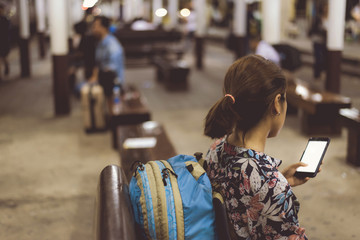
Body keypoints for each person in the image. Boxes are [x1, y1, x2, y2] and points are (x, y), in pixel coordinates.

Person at [203, 55, 310, 239]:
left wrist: (281, 181)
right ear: (277, 103)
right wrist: (277, 188)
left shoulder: (216, 148)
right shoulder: (269, 184)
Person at [89, 16, 125, 115]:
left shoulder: (111, 44)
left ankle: (112, 118)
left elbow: (113, 69)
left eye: (95, 26)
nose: (93, 29)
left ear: (103, 28)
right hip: (106, 78)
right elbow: (99, 62)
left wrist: (97, 77)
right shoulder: (101, 43)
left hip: (113, 82)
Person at [308, 4, 328, 81]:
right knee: (318, 58)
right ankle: (317, 75)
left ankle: (322, 72)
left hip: (325, 41)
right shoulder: (318, 18)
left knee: (324, 58)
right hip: (317, 40)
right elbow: (313, 28)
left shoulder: (330, 18)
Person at [0, 3, 10, 80]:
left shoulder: (5, 19)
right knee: (3, 57)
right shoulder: (6, 19)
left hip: (3, 41)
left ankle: (6, 67)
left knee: (4, 57)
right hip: (4, 41)